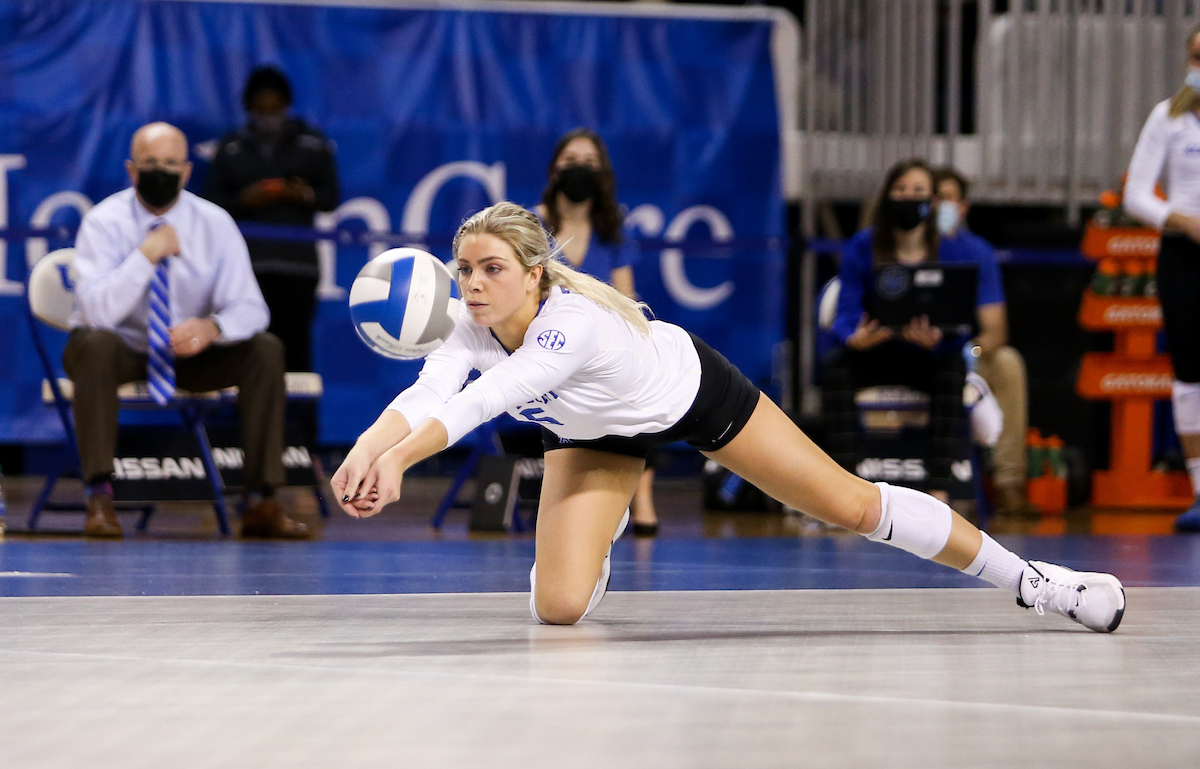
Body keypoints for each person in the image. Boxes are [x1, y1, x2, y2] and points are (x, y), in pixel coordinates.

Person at [331, 201, 1125, 633]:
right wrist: (369, 449)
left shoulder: (568, 325)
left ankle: (1033, 582)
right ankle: (593, 541)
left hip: (690, 392)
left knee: (850, 503)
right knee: (559, 609)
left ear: (535, 277)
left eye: (491, 269)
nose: (472, 283)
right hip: (592, 434)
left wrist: (399, 464)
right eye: (464, 268)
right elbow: (427, 395)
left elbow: (479, 404)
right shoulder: (468, 325)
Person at [67, 122, 309, 540]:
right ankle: (99, 496)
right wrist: (145, 256)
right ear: (131, 170)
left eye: (170, 163)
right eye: (150, 163)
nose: (160, 171)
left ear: (187, 171)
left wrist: (211, 327)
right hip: (123, 350)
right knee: (93, 344)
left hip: (189, 354)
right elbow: (96, 312)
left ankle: (262, 501)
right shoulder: (103, 222)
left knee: (265, 350)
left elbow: (252, 308)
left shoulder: (214, 223)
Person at [823, 158, 998, 504]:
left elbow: (963, 324)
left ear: (932, 201)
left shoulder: (956, 249)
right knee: (835, 366)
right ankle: (844, 488)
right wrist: (854, 337)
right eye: (900, 189)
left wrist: (942, 339)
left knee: (953, 368)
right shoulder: (863, 245)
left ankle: (939, 488)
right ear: (887, 196)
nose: (907, 197)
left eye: (918, 190)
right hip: (876, 350)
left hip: (928, 355)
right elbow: (844, 312)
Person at [535, 128, 657, 536]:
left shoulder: (613, 228)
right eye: (571, 162)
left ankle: (640, 500)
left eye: (589, 163)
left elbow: (626, 297)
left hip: (603, 349)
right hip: (549, 347)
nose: (579, 170)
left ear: (602, 174)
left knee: (639, 380)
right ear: (554, 170)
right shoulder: (531, 227)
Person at [203, 65, 340, 374]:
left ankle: (300, 424)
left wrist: (300, 194)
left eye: (275, 110)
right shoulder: (230, 146)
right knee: (248, 350)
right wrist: (244, 200)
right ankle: (249, 423)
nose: (268, 117)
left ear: (287, 107)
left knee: (297, 352)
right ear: (248, 108)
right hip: (247, 267)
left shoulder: (313, 143)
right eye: (261, 110)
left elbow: (330, 198)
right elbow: (209, 204)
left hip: (297, 268)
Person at [1124, 22, 1200, 532]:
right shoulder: (1168, 117)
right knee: (1190, 369)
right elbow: (1136, 195)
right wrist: (1185, 221)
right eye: (1196, 57)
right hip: (1184, 253)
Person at [933, 166, 1031, 514]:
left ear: (963, 207)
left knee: (1007, 362)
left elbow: (995, 329)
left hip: (962, 354)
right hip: (912, 354)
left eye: (946, 199)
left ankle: (1008, 482)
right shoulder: (895, 243)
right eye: (932, 198)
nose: (937, 206)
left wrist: (969, 352)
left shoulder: (978, 251)